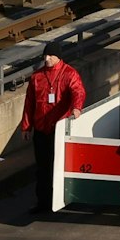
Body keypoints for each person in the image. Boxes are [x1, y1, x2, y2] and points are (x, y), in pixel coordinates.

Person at [19, 49, 87, 214]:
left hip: (58, 128)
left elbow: (78, 91)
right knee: (42, 168)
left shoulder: (69, 74)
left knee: (57, 166)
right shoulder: (37, 77)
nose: (47, 59)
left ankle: (61, 199)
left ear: (58, 57)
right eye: (45, 56)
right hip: (42, 129)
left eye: (50, 56)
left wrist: (77, 108)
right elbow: (29, 104)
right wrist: (26, 126)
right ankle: (43, 202)